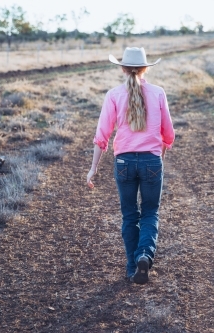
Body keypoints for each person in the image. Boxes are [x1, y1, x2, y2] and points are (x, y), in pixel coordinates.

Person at [86, 47, 175, 285]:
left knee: (129, 215)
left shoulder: (114, 94)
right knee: (149, 213)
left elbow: (101, 135)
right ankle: (144, 255)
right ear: (146, 68)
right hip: (151, 160)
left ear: (122, 68)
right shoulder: (158, 93)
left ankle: (131, 267)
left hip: (124, 161)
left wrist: (93, 167)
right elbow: (168, 133)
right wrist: (161, 153)